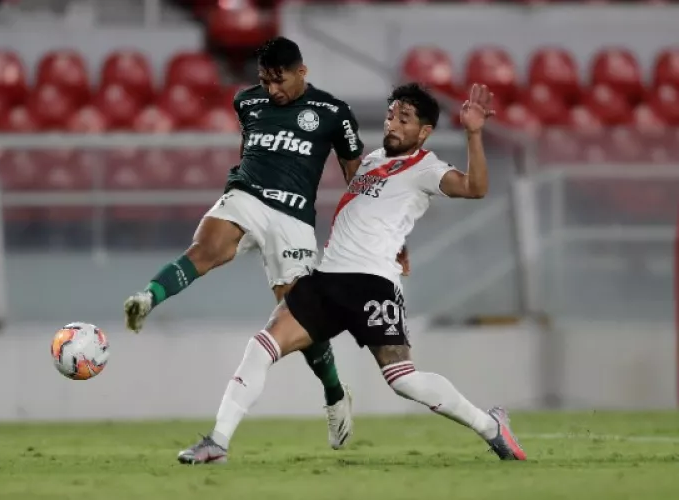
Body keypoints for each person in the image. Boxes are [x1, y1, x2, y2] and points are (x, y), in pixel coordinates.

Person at [175, 82, 527, 464]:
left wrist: (474, 133)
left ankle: (491, 427)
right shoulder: (374, 160)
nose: (392, 123)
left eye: (403, 119)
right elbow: (374, 212)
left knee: (403, 379)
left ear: (423, 132)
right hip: (327, 279)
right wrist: (400, 243)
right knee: (261, 347)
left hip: (372, 284)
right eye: (391, 114)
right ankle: (217, 443)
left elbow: (475, 188)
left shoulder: (427, 168)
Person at [122, 36, 407, 450]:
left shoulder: (332, 112)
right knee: (206, 250)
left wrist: (380, 229)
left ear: (302, 72)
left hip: (293, 220)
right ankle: (147, 297)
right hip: (246, 197)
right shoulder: (247, 103)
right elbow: (254, 149)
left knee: (299, 317)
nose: (272, 90)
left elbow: (355, 176)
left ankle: (334, 393)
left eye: (279, 80)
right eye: (265, 80)